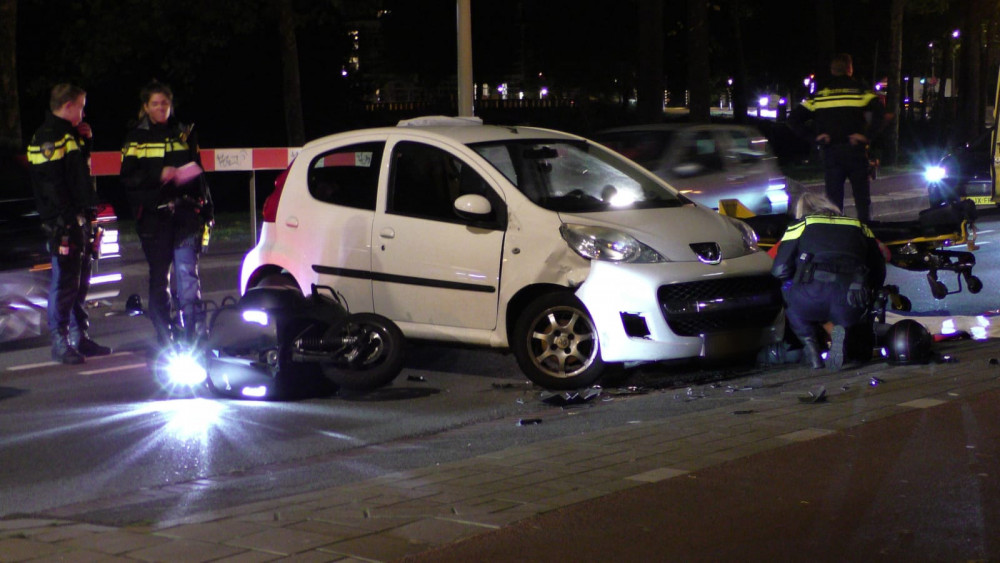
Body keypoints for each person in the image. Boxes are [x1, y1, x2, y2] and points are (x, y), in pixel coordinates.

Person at [120, 81, 213, 348]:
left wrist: (207, 208)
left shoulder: (183, 133)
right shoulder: (135, 137)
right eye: (155, 103)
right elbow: (128, 177)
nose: (161, 108)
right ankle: (164, 336)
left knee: (187, 274)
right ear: (146, 107)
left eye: (165, 103)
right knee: (160, 277)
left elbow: (199, 171)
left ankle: (196, 333)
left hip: (185, 214)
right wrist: (158, 175)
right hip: (153, 218)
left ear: (171, 105)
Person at [26, 83, 112, 363]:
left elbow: (78, 174)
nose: (84, 112)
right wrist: (65, 222)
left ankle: (80, 338)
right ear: (69, 106)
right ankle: (60, 342)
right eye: (81, 106)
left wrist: (86, 141)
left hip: (78, 219)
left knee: (79, 282)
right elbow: (52, 185)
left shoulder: (68, 135)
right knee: (64, 283)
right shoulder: (48, 138)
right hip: (63, 222)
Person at [771, 192, 886, 370]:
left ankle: (811, 348)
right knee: (841, 310)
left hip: (810, 296)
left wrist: (793, 282)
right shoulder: (859, 226)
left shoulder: (801, 224)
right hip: (851, 300)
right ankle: (840, 334)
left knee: (787, 291)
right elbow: (878, 269)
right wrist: (869, 296)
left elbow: (780, 270)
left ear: (802, 211)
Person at [788, 53, 888, 222]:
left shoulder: (820, 95)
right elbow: (881, 114)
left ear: (832, 70)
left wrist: (815, 138)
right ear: (850, 69)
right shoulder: (860, 91)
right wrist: (866, 136)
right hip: (855, 151)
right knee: (862, 200)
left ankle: (836, 234)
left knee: (833, 202)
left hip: (831, 152)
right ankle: (867, 234)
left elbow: (793, 120)